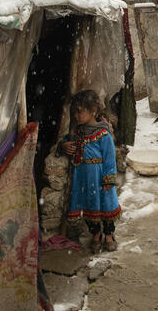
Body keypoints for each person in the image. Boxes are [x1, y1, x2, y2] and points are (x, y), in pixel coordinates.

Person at [60, 90, 121, 253]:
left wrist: (109, 179)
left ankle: (109, 235)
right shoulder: (78, 131)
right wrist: (63, 145)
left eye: (80, 112)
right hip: (83, 177)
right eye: (74, 113)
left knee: (106, 206)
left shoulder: (103, 133)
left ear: (93, 111)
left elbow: (109, 157)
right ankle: (97, 234)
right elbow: (68, 140)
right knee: (89, 206)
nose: (76, 116)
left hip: (100, 176)